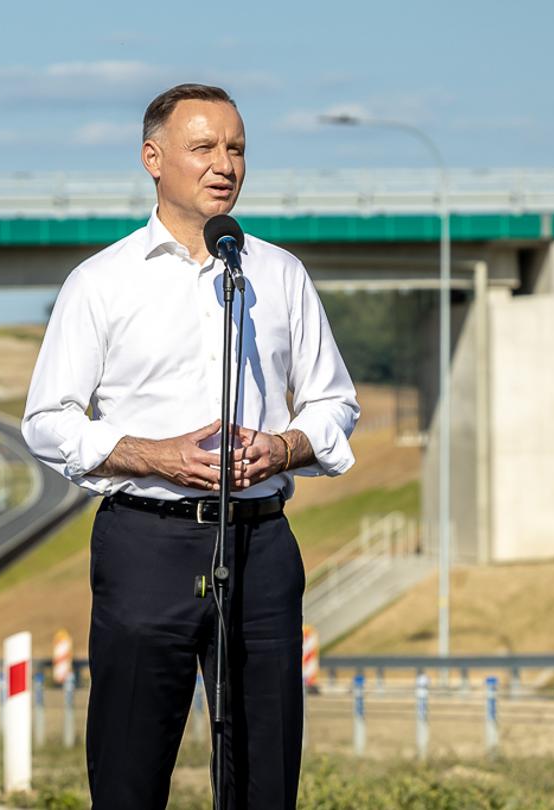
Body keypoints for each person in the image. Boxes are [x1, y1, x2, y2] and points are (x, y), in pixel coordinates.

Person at [22, 84, 359, 808]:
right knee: (129, 776)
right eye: (203, 147)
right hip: (147, 546)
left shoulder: (279, 274)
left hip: (262, 546)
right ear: (153, 158)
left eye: (236, 148)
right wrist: (154, 454)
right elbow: (47, 420)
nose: (224, 164)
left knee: (265, 781)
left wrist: (284, 447)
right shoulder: (101, 282)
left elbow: (336, 402)